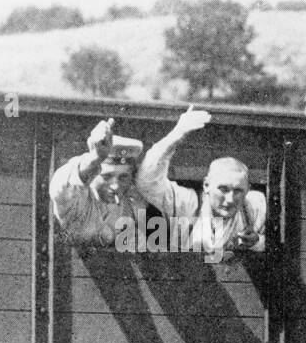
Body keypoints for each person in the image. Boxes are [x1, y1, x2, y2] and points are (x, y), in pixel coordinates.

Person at [136, 106, 267, 257]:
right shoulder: (186, 203)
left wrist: (257, 242)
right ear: (206, 185)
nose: (230, 199)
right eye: (223, 189)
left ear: (248, 190)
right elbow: (146, 182)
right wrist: (176, 134)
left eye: (238, 191)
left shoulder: (255, 206)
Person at [49, 117, 146, 247]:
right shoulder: (75, 201)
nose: (115, 185)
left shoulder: (132, 204)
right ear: (94, 173)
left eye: (123, 177)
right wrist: (95, 158)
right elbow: (60, 185)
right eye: (107, 176)